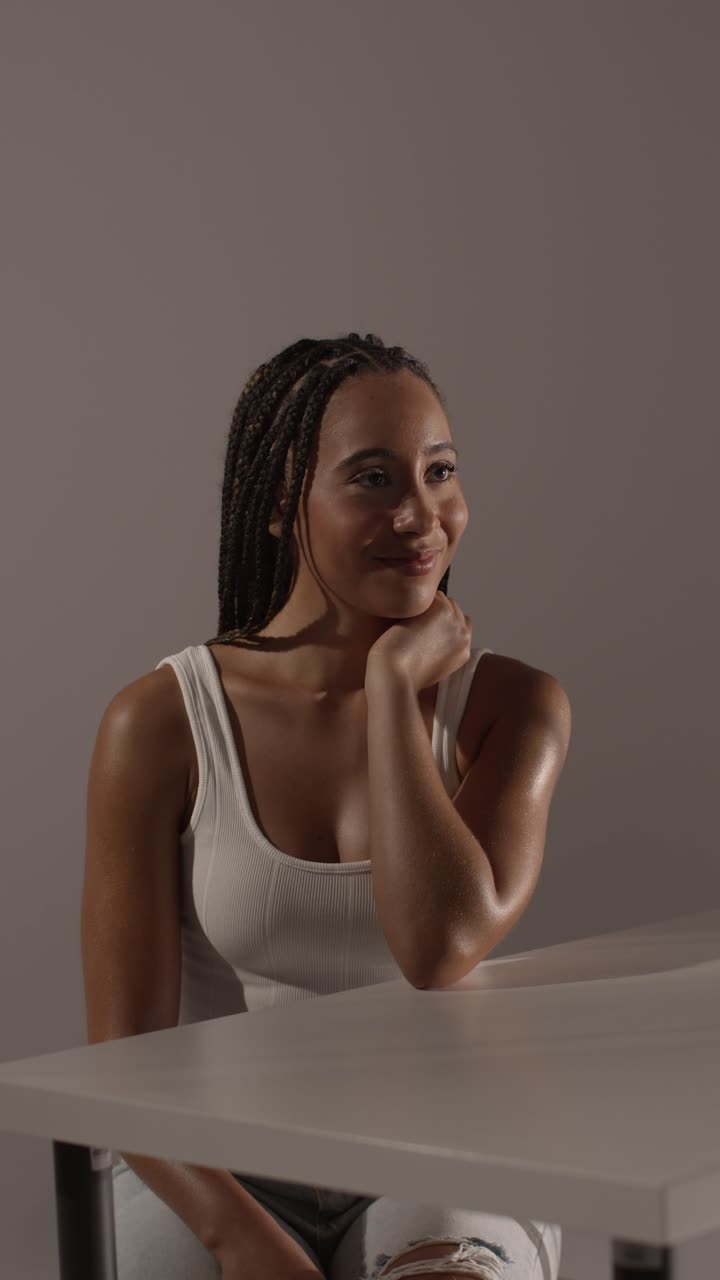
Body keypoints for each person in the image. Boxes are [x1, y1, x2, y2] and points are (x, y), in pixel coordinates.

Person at [81, 332, 569, 1279]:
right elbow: (122, 1061)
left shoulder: (513, 709)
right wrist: (240, 1242)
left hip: (445, 1150)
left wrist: (392, 693)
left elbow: (436, 946)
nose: (422, 516)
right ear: (278, 507)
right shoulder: (161, 723)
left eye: (439, 473)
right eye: (374, 479)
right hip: (216, 1167)